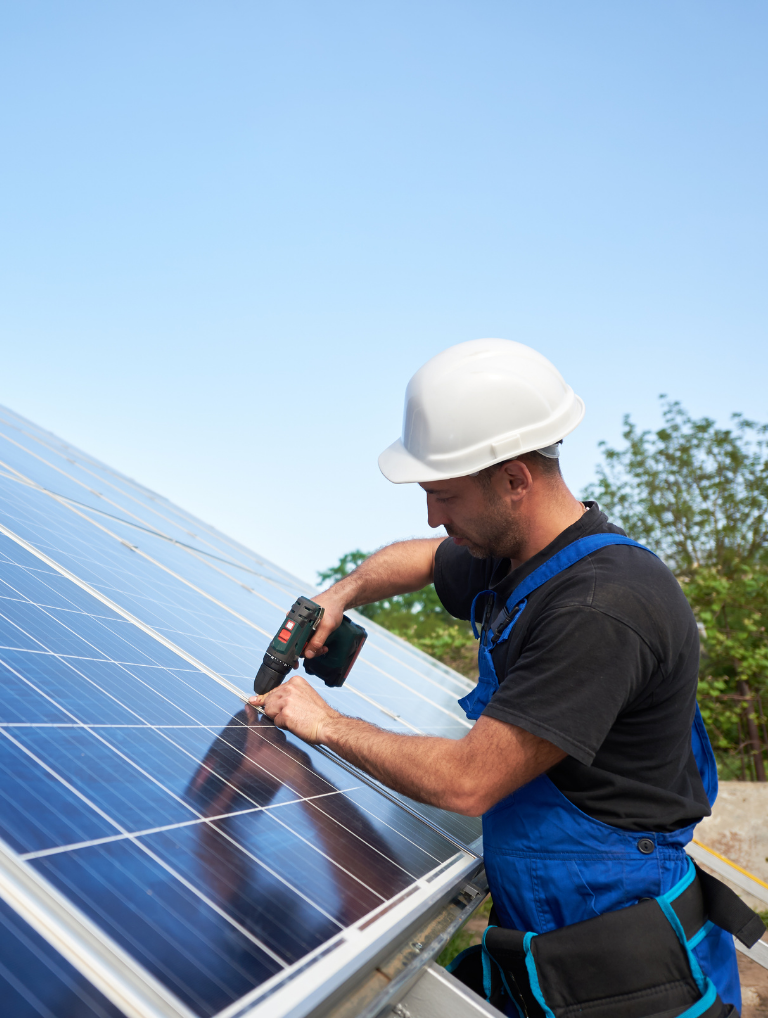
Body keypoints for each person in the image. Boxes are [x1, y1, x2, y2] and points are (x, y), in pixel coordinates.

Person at [250, 339, 746, 1016]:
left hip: (625, 965)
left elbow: (469, 780)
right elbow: (422, 559)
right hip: (553, 943)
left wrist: (325, 723)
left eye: (444, 495)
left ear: (515, 480)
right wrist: (342, 594)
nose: (433, 516)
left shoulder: (601, 606)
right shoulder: (517, 558)